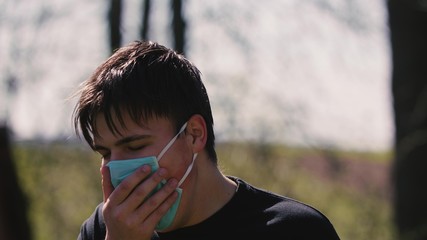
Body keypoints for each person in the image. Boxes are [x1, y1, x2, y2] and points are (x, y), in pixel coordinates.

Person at [73, 40, 340, 240]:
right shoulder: (103, 229)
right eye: (105, 153)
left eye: (135, 146)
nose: (116, 169)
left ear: (194, 134)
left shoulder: (294, 230)